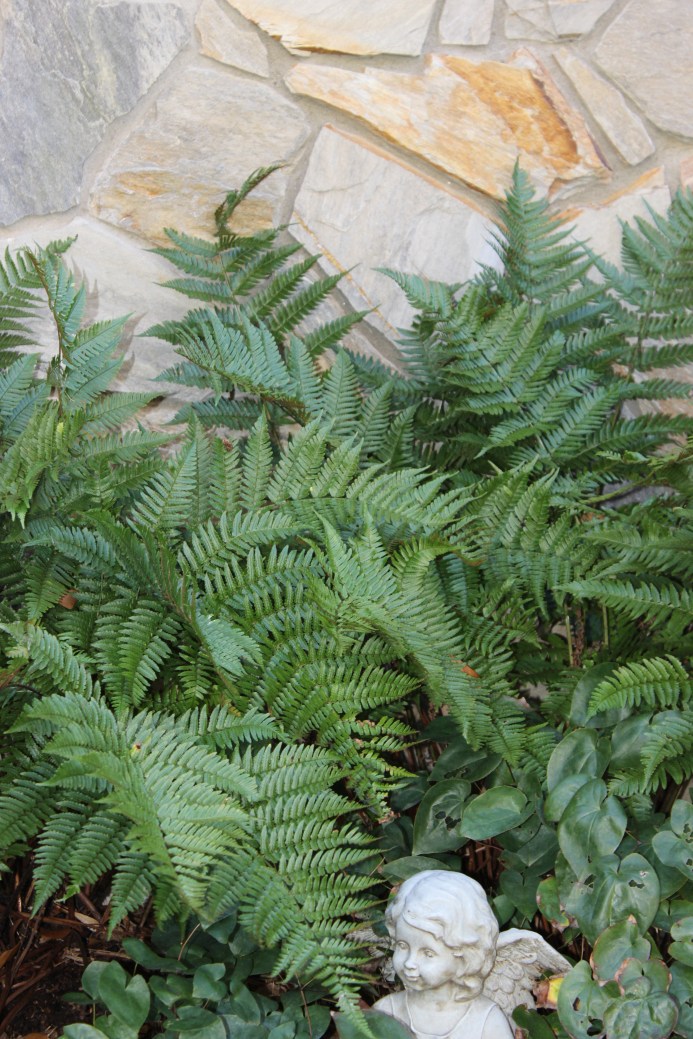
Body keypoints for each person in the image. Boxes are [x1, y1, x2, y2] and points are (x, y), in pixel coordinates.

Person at [373, 871, 515, 1039]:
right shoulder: (386, 1012)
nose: (410, 962)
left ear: (463, 958)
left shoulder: (486, 1021)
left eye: (428, 953)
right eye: (402, 945)